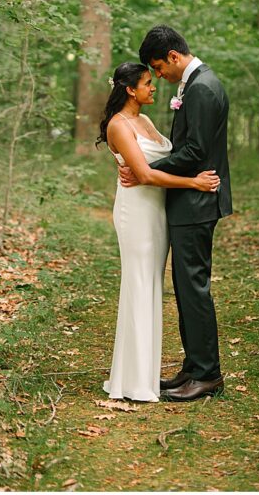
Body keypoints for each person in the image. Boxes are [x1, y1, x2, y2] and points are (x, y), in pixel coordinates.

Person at [119, 25, 233, 402]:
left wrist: (146, 170)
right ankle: (193, 367)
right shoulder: (198, 82)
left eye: (158, 67)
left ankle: (208, 374)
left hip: (197, 204)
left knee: (194, 290)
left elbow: (195, 151)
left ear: (172, 57)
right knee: (186, 289)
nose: (160, 77)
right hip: (191, 204)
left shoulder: (201, 87)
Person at [98, 62, 220, 402]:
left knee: (151, 286)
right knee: (138, 284)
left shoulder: (145, 120)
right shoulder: (119, 125)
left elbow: (160, 162)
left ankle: (145, 375)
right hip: (136, 211)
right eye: (147, 83)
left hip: (157, 213)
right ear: (129, 90)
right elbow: (146, 175)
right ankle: (132, 380)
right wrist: (193, 182)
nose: (154, 88)